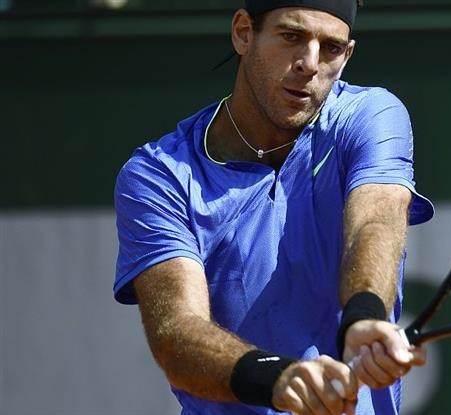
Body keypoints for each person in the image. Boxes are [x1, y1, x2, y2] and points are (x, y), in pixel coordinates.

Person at [112, 1, 434, 414]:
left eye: (331, 48)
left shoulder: (370, 115)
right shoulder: (158, 176)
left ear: (347, 55)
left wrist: (364, 317)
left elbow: (375, 220)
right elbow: (176, 332)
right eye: (291, 36)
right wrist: (279, 378)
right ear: (243, 32)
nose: (310, 64)